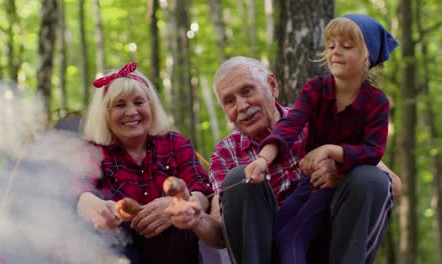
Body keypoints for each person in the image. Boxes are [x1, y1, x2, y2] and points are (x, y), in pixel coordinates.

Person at [167, 54, 402, 264]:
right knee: (240, 176)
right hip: (265, 253)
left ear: (272, 85)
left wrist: (343, 169)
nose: (242, 106)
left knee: (369, 177)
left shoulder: (315, 122)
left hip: (331, 245)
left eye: (247, 91)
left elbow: (392, 185)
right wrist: (197, 220)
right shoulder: (225, 153)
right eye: (230, 101)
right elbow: (221, 232)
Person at [244, 14, 398, 264]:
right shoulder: (316, 89)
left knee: (292, 238)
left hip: (341, 184)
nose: (336, 52)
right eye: (331, 45)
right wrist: (263, 160)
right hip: (310, 182)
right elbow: (290, 125)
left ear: (368, 57)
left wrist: (330, 150)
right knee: (277, 235)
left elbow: (373, 151)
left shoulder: (376, 103)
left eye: (346, 46)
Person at [73, 61, 212, 264]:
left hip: (175, 254)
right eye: (120, 105)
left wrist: (182, 204)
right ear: (105, 115)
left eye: (139, 102)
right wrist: (102, 209)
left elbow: (203, 190)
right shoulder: (92, 152)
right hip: (118, 252)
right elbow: (80, 194)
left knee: (179, 218)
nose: (131, 112)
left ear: (152, 107)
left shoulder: (175, 143)